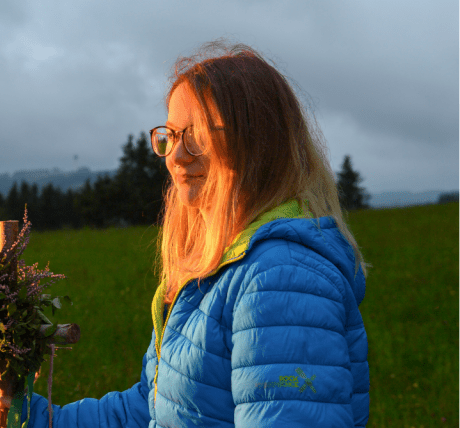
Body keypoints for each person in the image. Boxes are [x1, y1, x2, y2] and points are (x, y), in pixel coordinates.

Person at [20, 39, 371, 427]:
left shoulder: (281, 279)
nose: (176, 154)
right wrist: (32, 418)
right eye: (170, 135)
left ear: (257, 142)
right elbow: (152, 409)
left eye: (197, 133)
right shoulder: (214, 268)